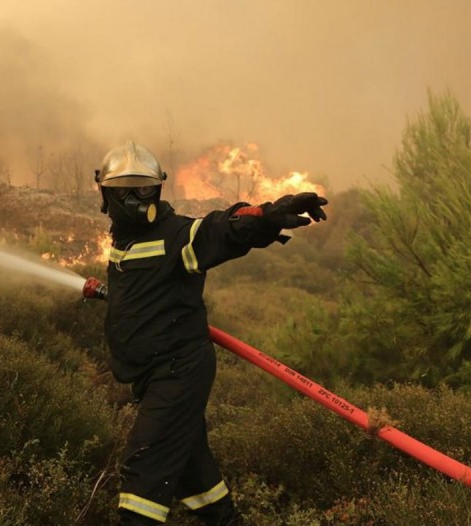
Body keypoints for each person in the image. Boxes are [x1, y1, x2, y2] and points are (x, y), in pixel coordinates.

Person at [93, 141, 328, 526]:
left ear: (159, 189)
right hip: (150, 373)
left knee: (143, 475)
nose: (137, 199)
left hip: (177, 372)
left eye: (145, 189)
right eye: (126, 191)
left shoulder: (178, 235)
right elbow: (139, 286)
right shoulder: (123, 241)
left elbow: (222, 229)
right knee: (193, 476)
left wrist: (266, 217)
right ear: (105, 195)